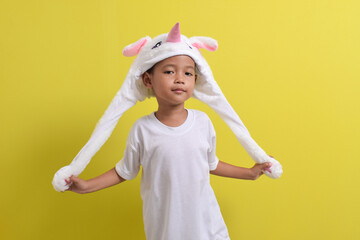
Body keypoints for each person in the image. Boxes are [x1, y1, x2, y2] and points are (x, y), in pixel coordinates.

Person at [65, 54, 273, 240]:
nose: (180, 78)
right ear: (148, 80)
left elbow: (211, 163)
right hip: (166, 230)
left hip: (207, 228)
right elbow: (125, 171)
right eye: (169, 71)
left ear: (195, 80)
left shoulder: (203, 122)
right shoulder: (142, 130)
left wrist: (249, 173)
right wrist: (87, 186)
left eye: (188, 73)